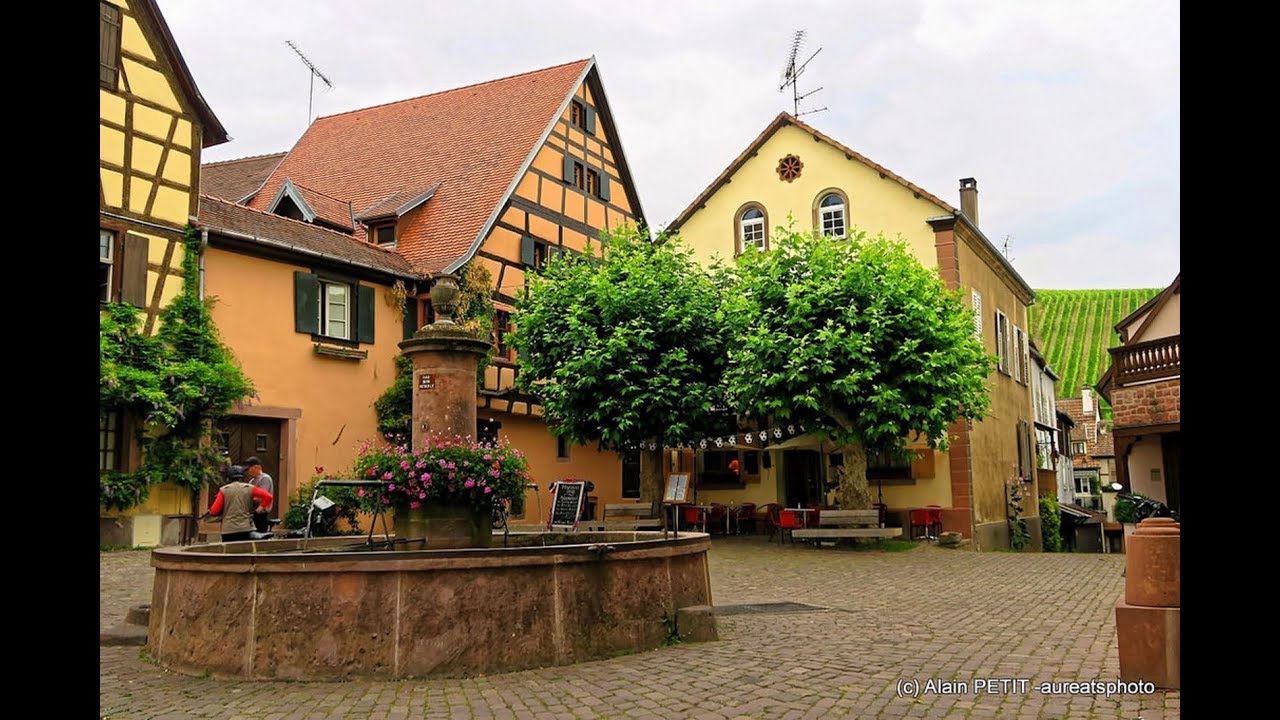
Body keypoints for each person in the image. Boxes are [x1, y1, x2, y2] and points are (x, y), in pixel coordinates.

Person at [209, 465, 273, 542]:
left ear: (229, 478)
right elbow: (268, 497)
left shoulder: (224, 490)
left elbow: (214, 511)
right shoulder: (250, 488)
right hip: (246, 528)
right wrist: (258, 510)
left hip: (228, 530)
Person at [241, 456, 274, 534]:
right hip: (252, 513)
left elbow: (262, 497)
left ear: (256, 467)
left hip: (261, 513)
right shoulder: (251, 481)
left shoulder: (265, 479)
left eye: (248, 469)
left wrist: (250, 498)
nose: (247, 472)